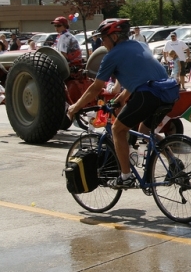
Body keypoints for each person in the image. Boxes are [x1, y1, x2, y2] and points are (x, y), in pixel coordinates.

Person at [66, 18, 178, 189]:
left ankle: (125, 176)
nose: (102, 42)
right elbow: (142, 78)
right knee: (144, 130)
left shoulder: (112, 55)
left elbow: (95, 88)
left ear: (115, 37)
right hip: (169, 93)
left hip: (149, 95)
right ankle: (173, 161)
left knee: (118, 129)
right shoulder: (140, 46)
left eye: (103, 38)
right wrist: (121, 97)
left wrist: (76, 106)